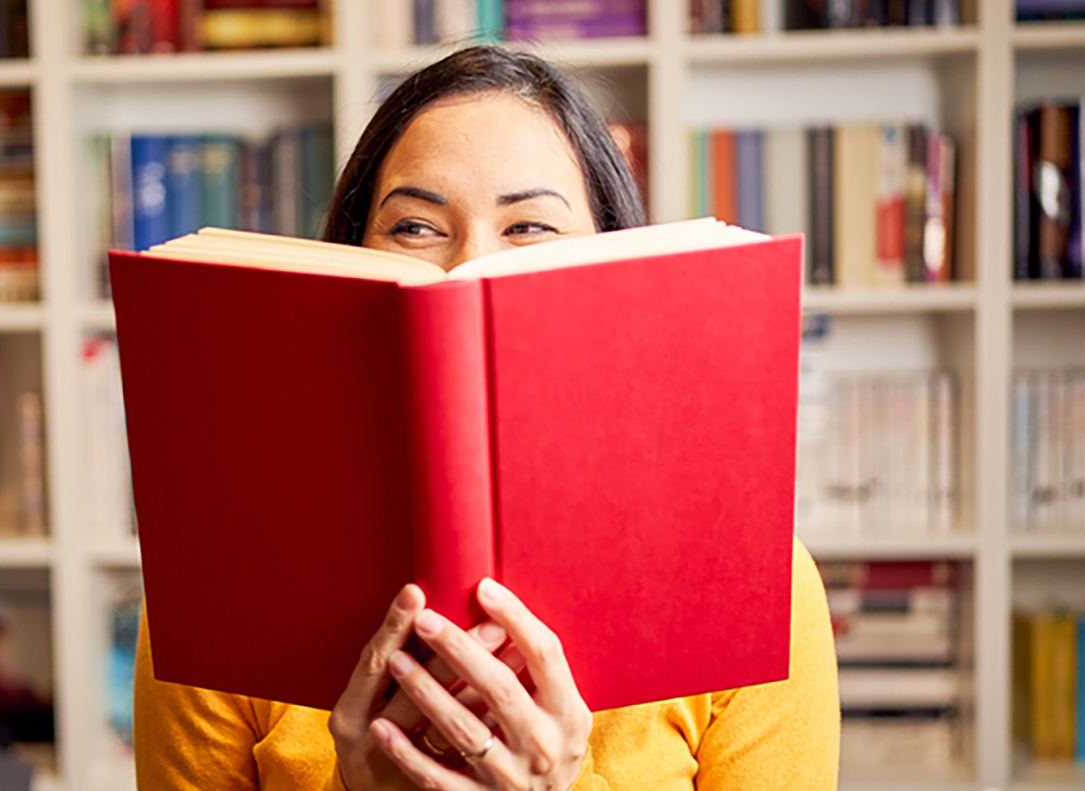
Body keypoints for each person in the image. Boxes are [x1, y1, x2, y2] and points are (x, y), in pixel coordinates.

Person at [134, 45, 839, 791]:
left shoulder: (755, 590)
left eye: (530, 227)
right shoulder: (222, 593)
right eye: (413, 227)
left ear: (615, 266)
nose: (466, 266)